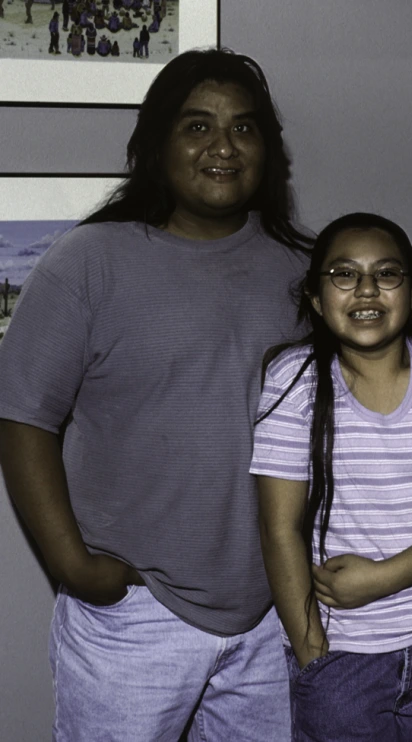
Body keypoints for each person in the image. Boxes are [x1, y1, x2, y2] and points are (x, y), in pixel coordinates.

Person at [0, 49, 312, 741]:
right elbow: (22, 420)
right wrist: (76, 567)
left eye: (244, 128)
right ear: (155, 145)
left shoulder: (304, 273)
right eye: (197, 126)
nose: (223, 147)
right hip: (136, 618)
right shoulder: (88, 262)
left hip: (271, 614)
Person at [253, 212, 412, 741]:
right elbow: (278, 530)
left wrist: (382, 578)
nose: (367, 290)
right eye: (344, 274)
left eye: (387, 274)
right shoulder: (293, 379)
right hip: (342, 656)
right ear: (314, 296)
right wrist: (312, 655)